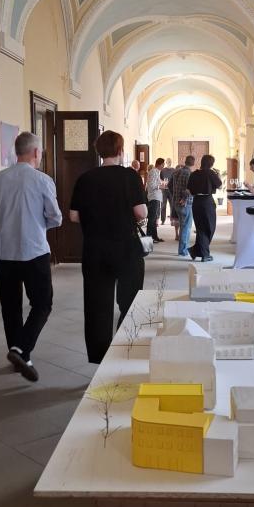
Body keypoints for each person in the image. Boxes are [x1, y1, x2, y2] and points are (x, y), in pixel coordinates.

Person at [0, 131, 62, 381]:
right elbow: (55, 217)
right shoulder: (43, 180)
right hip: (34, 251)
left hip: (4, 252)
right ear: (36, 152)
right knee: (42, 303)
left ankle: (19, 356)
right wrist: (36, 225)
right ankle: (21, 349)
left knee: (10, 307)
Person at [69, 131, 147, 364]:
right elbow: (141, 212)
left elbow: (74, 216)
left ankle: (100, 358)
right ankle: (124, 350)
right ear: (120, 151)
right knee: (130, 300)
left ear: (99, 151)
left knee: (97, 305)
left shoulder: (85, 178)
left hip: (95, 249)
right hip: (125, 248)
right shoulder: (129, 176)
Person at [187, 154, 222, 262]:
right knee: (209, 227)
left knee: (200, 228)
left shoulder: (193, 174)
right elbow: (220, 185)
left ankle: (195, 251)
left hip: (196, 202)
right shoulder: (210, 173)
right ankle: (204, 255)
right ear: (211, 164)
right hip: (207, 202)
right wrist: (218, 175)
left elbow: (189, 191)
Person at [169, 155, 196, 256]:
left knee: (183, 226)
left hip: (176, 203)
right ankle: (183, 251)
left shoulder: (176, 172)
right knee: (186, 228)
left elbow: (169, 185)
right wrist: (184, 199)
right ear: (193, 163)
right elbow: (189, 189)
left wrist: (175, 196)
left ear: (185, 161)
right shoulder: (189, 174)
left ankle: (182, 249)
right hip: (185, 204)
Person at [145, 157, 165, 242]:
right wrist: (160, 186)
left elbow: (157, 183)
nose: (163, 166)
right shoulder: (153, 171)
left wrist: (162, 184)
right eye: (163, 164)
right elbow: (151, 185)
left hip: (156, 197)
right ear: (159, 164)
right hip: (153, 197)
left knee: (154, 218)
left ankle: (154, 236)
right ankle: (149, 238)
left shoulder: (157, 172)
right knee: (152, 219)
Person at [159, 158, 174, 223]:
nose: (169, 162)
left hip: (171, 190)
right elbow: (160, 179)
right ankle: (163, 220)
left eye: (170, 161)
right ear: (166, 162)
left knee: (172, 205)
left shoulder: (174, 170)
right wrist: (163, 182)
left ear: (171, 162)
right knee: (163, 205)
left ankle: (172, 219)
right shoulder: (163, 170)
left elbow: (175, 179)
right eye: (168, 161)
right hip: (164, 190)